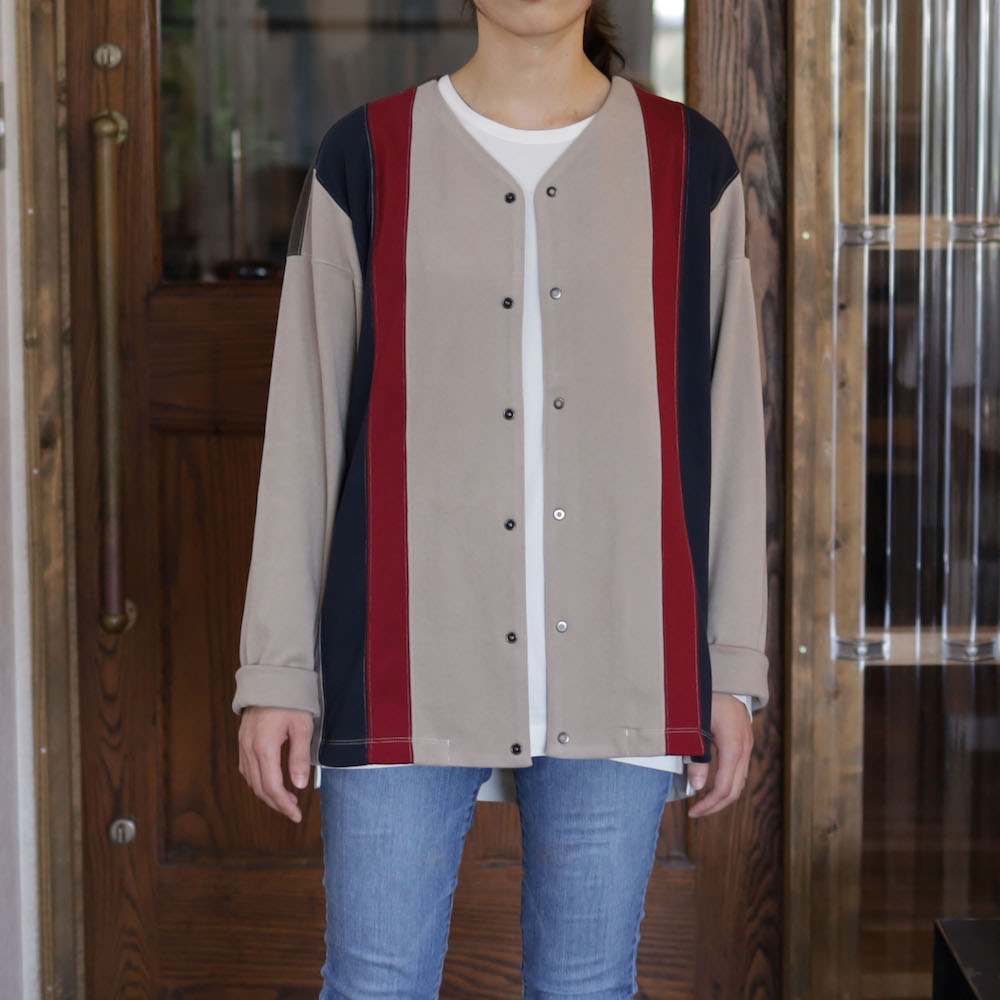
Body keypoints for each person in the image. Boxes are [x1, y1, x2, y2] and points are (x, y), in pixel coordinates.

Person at [232, 1, 770, 996]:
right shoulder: (366, 156)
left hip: (625, 655)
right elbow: (305, 424)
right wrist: (277, 669)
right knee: (374, 982)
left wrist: (732, 666)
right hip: (403, 651)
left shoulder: (688, 163)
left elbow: (729, 426)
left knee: (586, 984)